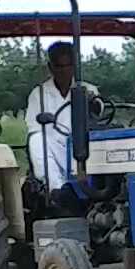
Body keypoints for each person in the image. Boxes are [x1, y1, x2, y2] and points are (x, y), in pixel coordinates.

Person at [24, 41, 102, 183]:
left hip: (83, 150)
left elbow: (97, 117)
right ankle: (55, 189)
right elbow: (34, 128)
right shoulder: (39, 94)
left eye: (68, 66)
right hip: (52, 149)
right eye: (59, 66)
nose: (64, 71)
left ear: (75, 66)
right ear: (50, 67)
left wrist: (93, 105)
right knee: (36, 139)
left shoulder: (88, 90)